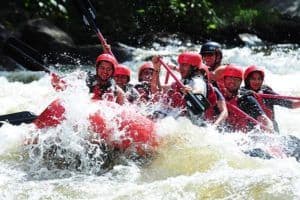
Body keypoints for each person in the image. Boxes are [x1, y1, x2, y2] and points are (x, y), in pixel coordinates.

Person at [243, 65, 300, 132]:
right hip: (253, 131)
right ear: (247, 80)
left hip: (272, 130)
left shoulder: (266, 92)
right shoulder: (243, 94)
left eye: (259, 79)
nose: (257, 82)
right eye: (253, 79)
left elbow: (291, 104)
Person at [220, 64, 274, 132]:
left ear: (240, 82)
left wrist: (269, 127)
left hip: (244, 136)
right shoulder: (218, 96)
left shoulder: (246, 99)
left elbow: (263, 119)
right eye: (229, 78)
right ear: (224, 80)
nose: (232, 82)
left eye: (236, 79)